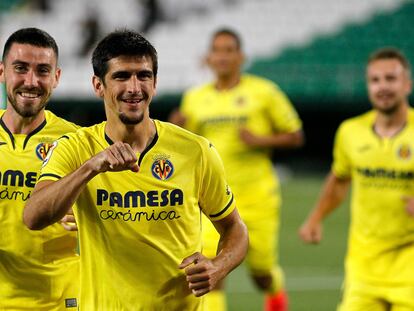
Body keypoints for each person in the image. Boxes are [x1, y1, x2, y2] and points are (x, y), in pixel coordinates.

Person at [23, 29, 248, 310]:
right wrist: (91, 168)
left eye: (143, 75)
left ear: (154, 84)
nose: (134, 87)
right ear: (98, 85)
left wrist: (218, 266)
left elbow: (234, 228)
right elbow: (33, 216)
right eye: (121, 76)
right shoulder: (75, 148)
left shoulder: (196, 151)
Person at [169, 28, 304, 311]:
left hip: (257, 197)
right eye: (217, 50)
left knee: (261, 274)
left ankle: (276, 292)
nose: (222, 56)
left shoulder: (264, 92)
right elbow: (187, 145)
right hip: (212, 198)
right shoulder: (195, 97)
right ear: (209, 58)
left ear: (241, 56)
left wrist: (260, 140)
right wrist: (177, 129)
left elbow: (296, 135)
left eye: (229, 50)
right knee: (210, 268)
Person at [299, 47, 414, 310]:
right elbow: (340, 179)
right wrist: (316, 217)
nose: (382, 86)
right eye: (375, 80)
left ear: (407, 84)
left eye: (390, 78)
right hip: (364, 266)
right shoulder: (350, 132)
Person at [0, 28, 79, 310]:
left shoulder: (77, 142)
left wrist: (89, 219)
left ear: (56, 78)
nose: (31, 81)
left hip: (59, 302)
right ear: (2, 72)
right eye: (20, 68)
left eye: (43, 71)